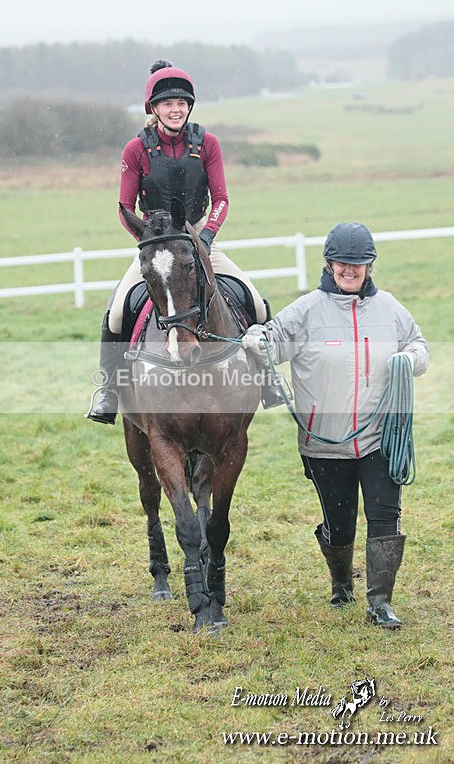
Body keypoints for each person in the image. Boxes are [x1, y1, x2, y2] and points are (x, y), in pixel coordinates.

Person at [242, 222, 429, 628]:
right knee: (340, 526)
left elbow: (420, 345)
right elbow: (270, 343)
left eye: (359, 263)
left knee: (385, 517)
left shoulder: (391, 309)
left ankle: (380, 602)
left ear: (370, 265)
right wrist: (256, 339)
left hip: (382, 439)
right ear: (329, 263)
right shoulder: (306, 311)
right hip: (324, 444)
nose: (350, 270)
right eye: (343, 262)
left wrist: (408, 360)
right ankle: (341, 582)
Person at [87, 58, 281, 424]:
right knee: (116, 313)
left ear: (189, 107)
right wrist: (150, 244)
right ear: (154, 109)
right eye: (167, 104)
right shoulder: (135, 150)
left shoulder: (207, 143)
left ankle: (268, 379)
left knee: (255, 303)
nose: (175, 109)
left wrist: (205, 237)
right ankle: (109, 391)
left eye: (181, 103)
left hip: (200, 240)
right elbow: (124, 207)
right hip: (158, 249)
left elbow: (221, 199)